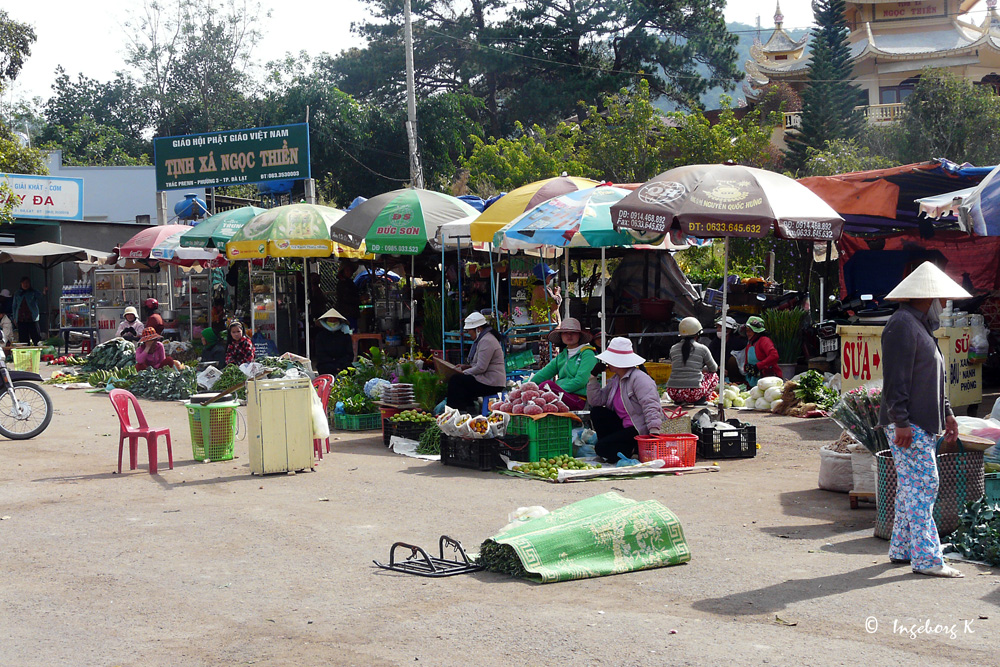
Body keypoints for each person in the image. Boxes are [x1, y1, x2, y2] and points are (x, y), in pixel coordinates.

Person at [879, 261, 970, 578]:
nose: (944, 305)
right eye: (941, 299)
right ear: (925, 297)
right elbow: (895, 381)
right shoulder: (902, 325)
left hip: (922, 423)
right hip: (910, 424)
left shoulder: (919, 327)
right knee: (923, 489)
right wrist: (900, 420)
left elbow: (933, 379)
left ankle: (903, 549)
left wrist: (947, 413)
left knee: (910, 489)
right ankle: (928, 559)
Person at [586, 337, 663, 463]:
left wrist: (654, 431)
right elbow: (596, 401)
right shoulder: (616, 380)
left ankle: (633, 449)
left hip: (638, 429)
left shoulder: (639, 379)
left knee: (601, 448)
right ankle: (619, 448)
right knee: (597, 412)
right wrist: (593, 377)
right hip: (623, 427)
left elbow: (650, 404)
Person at [529, 318, 597, 411]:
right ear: (561, 335)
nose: (569, 335)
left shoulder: (587, 353)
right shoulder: (561, 356)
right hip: (560, 396)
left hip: (579, 400)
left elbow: (581, 380)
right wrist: (525, 387)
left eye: (573, 332)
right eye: (565, 332)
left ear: (579, 335)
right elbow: (542, 375)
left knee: (547, 384)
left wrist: (555, 390)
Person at [446, 312, 505, 413]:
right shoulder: (484, 339)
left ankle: (456, 413)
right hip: (486, 380)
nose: (469, 333)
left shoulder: (487, 341)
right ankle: (468, 410)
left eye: (469, 330)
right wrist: (466, 367)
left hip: (491, 383)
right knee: (460, 382)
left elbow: (481, 367)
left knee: (456, 381)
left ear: (478, 329)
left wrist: (463, 372)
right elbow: (479, 364)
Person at [665, 317, 719, 405]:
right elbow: (714, 368)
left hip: (673, 393)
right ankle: (701, 400)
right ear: (697, 334)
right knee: (714, 376)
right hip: (693, 394)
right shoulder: (702, 348)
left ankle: (680, 401)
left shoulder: (673, 348)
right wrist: (703, 368)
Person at [741, 316, 781, 387]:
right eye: (747, 331)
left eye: (750, 331)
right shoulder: (749, 345)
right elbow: (747, 363)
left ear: (757, 331)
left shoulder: (764, 340)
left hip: (768, 379)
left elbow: (774, 356)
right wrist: (747, 368)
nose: (748, 333)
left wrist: (758, 366)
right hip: (754, 380)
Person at [313, 308, 354, 376]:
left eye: (335, 320)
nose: (333, 322)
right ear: (325, 322)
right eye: (330, 320)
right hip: (326, 366)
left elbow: (349, 354)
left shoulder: (345, 336)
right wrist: (333, 366)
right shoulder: (320, 336)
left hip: (343, 366)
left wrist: (339, 365)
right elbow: (320, 355)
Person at [708, 315, 747, 385]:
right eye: (718, 327)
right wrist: (718, 366)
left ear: (729, 329)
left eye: (721, 327)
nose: (718, 329)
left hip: (734, 373)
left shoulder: (738, 343)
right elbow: (710, 356)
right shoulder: (715, 342)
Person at [13, 276, 44, 344]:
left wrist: (44, 291)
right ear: (21, 284)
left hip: (32, 318)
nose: (25, 285)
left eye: (27, 283)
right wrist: (15, 317)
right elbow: (14, 306)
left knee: (36, 337)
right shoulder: (17, 293)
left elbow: (40, 296)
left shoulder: (33, 292)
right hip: (21, 319)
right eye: (24, 283)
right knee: (23, 339)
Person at [335, 263, 362, 330]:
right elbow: (347, 298)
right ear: (343, 272)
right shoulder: (342, 284)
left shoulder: (349, 282)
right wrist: (360, 299)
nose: (349, 272)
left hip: (352, 312)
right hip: (347, 313)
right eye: (347, 270)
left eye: (350, 270)